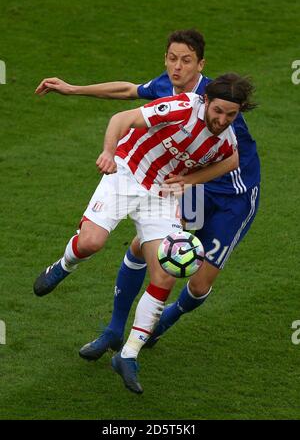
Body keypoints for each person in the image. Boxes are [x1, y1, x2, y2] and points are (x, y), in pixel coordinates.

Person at [34, 72, 256, 393]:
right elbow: (121, 117)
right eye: (218, 111)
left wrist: (190, 181)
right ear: (206, 101)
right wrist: (109, 152)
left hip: (161, 195)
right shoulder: (181, 107)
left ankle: (128, 354)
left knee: (166, 273)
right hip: (126, 172)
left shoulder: (227, 139)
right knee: (92, 242)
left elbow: (232, 160)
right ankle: (64, 265)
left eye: (231, 115)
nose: (222, 120)